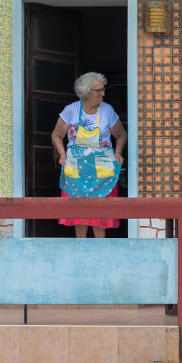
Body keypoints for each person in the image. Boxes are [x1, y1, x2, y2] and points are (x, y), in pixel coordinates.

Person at [51, 72, 127, 238]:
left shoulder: (107, 110)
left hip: (102, 167)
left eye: (103, 89)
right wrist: (62, 154)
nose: (103, 93)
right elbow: (56, 135)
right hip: (77, 166)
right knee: (79, 210)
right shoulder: (71, 110)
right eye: (98, 90)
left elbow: (121, 134)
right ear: (86, 92)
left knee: (101, 209)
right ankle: (81, 246)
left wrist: (118, 153)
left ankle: (100, 247)